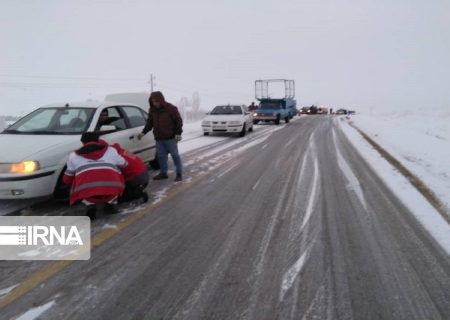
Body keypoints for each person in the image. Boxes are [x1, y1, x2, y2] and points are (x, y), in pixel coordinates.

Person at [63, 132, 127, 220]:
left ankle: (89, 204)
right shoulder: (111, 150)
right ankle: (111, 202)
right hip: (112, 189)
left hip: (87, 193)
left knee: (75, 177)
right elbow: (124, 164)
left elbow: (66, 179)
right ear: (98, 140)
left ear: (82, 142)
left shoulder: (73, 155)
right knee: (117, 171)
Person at [137, 91, 183, 182]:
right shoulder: (152, 110)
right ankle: (163, 173)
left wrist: (178, 133)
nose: (155, 103)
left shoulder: (171, 108)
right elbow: (149, 123)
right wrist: (143, 132)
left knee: (175, 155)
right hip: (159, 139)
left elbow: (178, 121)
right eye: (153, 102)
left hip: (171, 138)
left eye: (156, 101)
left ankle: (179, 173)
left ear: (161, 100)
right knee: (161, 157)